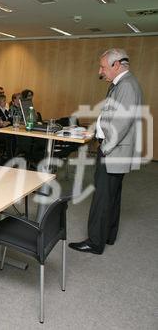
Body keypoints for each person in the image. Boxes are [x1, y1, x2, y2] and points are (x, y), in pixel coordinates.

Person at [69, 48, 142, 255]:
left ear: (116, 64)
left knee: (102, 196)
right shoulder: (120, 84)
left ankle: (95, 241)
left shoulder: (126, 85)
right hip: (114, 149)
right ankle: (108, 235)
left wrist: (105, 147)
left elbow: (121, 122)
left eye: (102, 66)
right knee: (111, 195)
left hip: (113, 150)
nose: (100, 71)